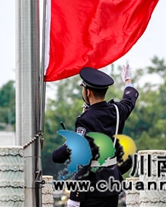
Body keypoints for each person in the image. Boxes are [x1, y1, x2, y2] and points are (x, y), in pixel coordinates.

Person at [52, 64, 138, 207]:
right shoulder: (117, 111)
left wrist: (75, 196)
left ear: (88, 92)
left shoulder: (85, 120)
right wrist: (127, 81)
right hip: (111, 185)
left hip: (91, 189)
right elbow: (130, 99)